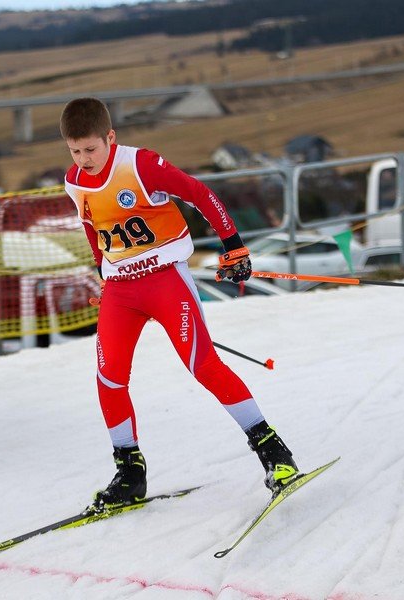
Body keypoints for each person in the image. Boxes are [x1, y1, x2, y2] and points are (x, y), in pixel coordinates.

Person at [60, 97, 298, 511]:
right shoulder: (74, 179)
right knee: (109, 378)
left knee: (202, 364)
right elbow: (90, 224)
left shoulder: (140, 165)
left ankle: (274, 453)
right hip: (120, 291)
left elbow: (199, 194)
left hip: (165, 280)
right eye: (75, 151)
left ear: (110, 137)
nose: (84, 159)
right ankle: (129, 473)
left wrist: (233, 246)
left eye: (91, 149)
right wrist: (103, 270)